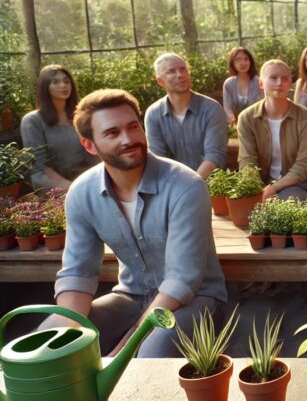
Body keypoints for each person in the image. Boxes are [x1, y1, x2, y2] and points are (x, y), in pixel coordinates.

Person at [48, 88, 227, 357]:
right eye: (112, 133)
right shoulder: (82, 193)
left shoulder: (185, 186)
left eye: (133, 127)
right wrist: (66, 332)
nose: (128, 139)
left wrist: (121, 353)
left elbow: (181, 281)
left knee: (150, 351)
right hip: (131, 296)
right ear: (89, 145)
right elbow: (78, 273)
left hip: (197, 299)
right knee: (50, 340)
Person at [237, 59, 307, 200]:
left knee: (289, 202)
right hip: (261, 184)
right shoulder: (247, 118)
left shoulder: (306, 119)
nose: (280, 83)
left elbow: (304, 165)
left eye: (285, 78)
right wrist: (256, 189)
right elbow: (247, 160)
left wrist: (274, 188)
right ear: (261, 83)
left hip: (297, 185)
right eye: (273, 78)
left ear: (290, 83)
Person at [144, 52, 228, 180]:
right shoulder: (153, 114)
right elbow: (159, 160)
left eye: (183, 69)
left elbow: (214, 156)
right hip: (171, 186)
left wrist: (192, 186)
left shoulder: (212, 109)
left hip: (211, 186)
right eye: (171, 71)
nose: (180, 75)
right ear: (160, 81)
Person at [20, 65, 97, 190]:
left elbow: (94, 153)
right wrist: (74, 189)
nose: (63, 85)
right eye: (55, 82)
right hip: (54, 185)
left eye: (66, 81)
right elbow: (39, 168)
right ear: (45, 87)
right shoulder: (32, 121)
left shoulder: (81, 115)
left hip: (86, 178)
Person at [222, 46, 263, 125]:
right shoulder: (228, 84)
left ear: (250, 62)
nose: (243, 63)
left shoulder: (258, 82)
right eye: (238, 59)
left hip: (256, 123)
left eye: (246, 59)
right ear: (232, 63)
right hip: (235, 124)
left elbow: (260, 107)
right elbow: (227, 108)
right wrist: (234, 122)